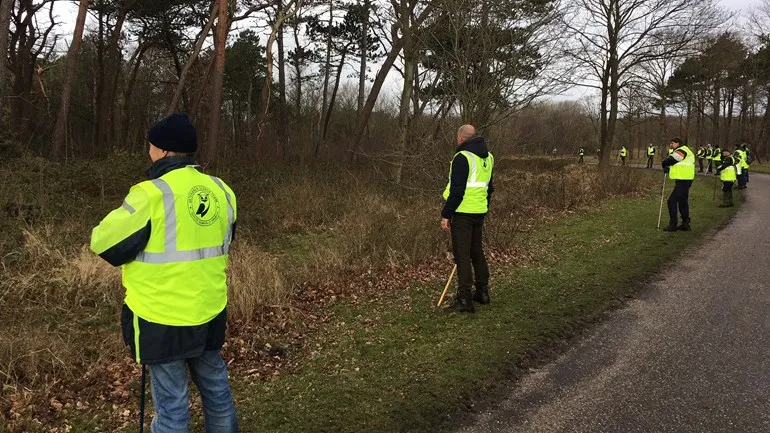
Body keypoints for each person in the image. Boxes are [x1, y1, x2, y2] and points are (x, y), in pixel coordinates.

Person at [90, 113, 239, 433]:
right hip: (210, 312)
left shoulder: (151, 194)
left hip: (161, 318)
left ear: (165, 151)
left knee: (172, 408)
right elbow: (223, 240)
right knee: (217, 392)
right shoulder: (222, 190)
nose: (149, 151)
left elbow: (103, 242)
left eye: (152, 146)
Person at [441, 124, 495, 313]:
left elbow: (457, 190)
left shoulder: (462, 157)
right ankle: (482, 291)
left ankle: (464, 299)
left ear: (461, 138)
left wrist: (446, 214)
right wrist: (484, 206)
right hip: (479, 211)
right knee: (476, 252)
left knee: (462, 255)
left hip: (462, 213)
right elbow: (489, 188)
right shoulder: (488, 157)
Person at [661, 137, 695, 232]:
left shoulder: (682, 150)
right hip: (684, 179)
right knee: (682, 201)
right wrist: (669, 168)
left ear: (678, 143)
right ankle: (685, 224)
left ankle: (673, 225)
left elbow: (673, 160)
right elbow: (678, 164)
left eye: (673, 143)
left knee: (671, 201)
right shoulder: (683, 150)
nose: (671, 145)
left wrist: (664, 163)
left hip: (684, 180)